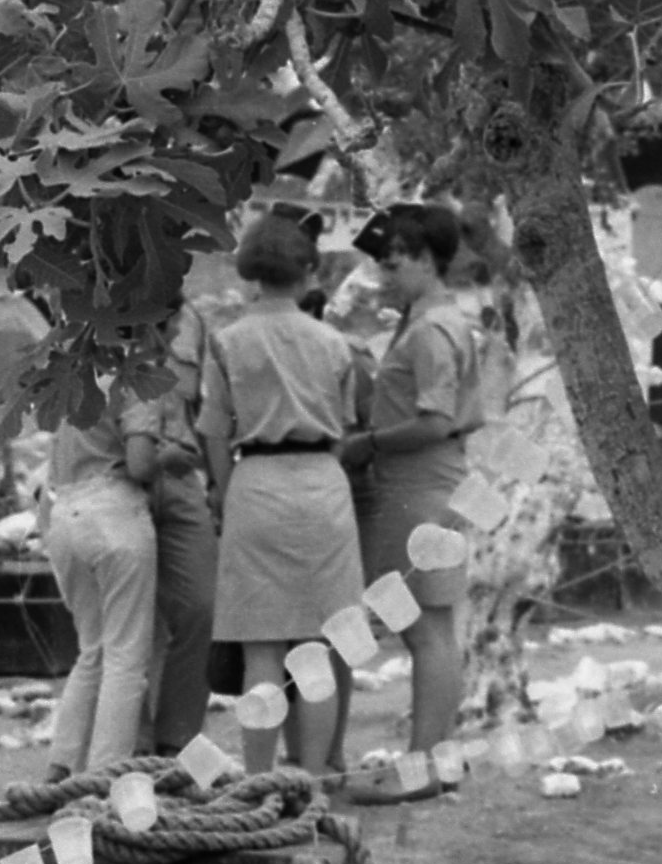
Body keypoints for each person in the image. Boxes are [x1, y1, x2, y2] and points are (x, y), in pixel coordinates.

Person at [198, 207, 367, 775]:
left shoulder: (227, 342)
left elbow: (215, 433)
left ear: (251, 270)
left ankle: (259, 780)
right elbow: (343, 428)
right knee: (317, 649)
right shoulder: (332, 343)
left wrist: (225, 495)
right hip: (321, 484)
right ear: (307, 270)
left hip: (256, 485)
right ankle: (314, 781)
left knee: (261, 652)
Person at [350, 202, 491, 784]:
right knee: (423, 624)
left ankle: (425, 764)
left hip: (421, 482)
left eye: (395, 261)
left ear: (428, 260)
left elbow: (435, 420)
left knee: (425, 626)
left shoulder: (433, 329)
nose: (386, 273)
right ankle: (436, 756)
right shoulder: (428, 320)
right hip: (418, 483)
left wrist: (369, 443)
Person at [37, 378, 160, 776]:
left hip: (65, 511)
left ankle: (63, 763)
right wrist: (171, 457)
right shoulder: (134, 376)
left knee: (91, 650)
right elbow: (140, 463)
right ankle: (106, 774)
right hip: (115, 511)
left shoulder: (71, 373)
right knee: (126, 654)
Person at [124, 313, 221, 756]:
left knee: (202, 606)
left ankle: (176, 740)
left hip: (180, 477)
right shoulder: (96, 310)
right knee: (130, 623)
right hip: (122, 479)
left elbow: (205, 405)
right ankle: (132, 741)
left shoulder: (194, 321)